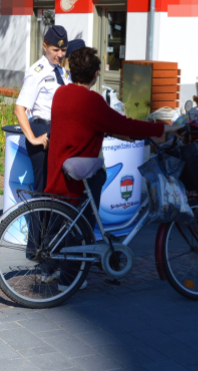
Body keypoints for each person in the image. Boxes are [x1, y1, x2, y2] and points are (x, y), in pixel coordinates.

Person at [45, 46, 180, 290]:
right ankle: (69, 280)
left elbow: (83, 125)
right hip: (81, 174)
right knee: (83, 225)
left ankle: (53, 269)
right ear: (96, 74)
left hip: (57, 169)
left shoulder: (61, 94)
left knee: (61, 221)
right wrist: (163, 129)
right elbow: (124, 124)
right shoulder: (92, 101)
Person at [15, 25, 71, 193]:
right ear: (44, 46)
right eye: (56, 50)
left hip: (59, 131)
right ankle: (38, 220)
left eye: (63, 49)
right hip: (43, 130)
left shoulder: (63, 72)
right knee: (43, 188)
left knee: (57, 187)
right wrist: (32, 138)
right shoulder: (37, 72)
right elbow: (19, 108)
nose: (60, 54)